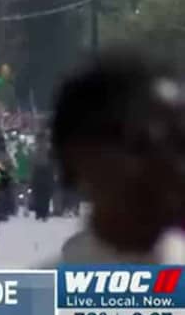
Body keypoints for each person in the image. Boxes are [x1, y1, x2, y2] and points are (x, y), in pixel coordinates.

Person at [42, 47, 185, 265]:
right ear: (79, 155)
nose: (173, 166)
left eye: (179, 145)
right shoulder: (45, 292)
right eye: (142, 145)